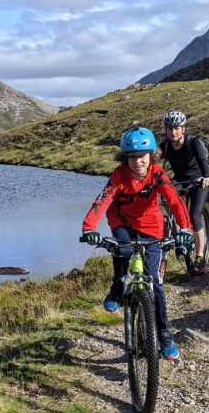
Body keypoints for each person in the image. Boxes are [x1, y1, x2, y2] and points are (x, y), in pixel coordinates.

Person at [81, 124, 195, 361]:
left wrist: (185, 228)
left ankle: (165, 335)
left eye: (142, 156)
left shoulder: (157, 174)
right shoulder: (119, 175)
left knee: (155, 284)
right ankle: (116, 287)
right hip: (122, 223)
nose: (137, 162)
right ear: (125, 158)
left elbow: (174, 201)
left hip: (152, 228)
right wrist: (89, 228)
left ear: (151, 155)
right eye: (131, 157)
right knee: (121, 249)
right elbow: (102, 201)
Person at [159, 110, 209, 272]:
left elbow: (203, 161)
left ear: (183, 129)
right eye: (170, 128)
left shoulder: (193, 142)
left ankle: (200, 256)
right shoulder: (166, 146)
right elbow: (152, 158)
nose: (173, 132)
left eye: (176, 128)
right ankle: (178, 235)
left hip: (199, 180)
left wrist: (207, 176)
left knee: (195, 215)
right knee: (166, 201)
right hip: (179, 180)